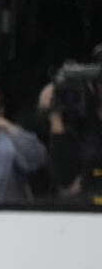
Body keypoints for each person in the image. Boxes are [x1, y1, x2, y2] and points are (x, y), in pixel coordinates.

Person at [42, 44, 102, 205]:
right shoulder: (77, 116)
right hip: (82, 206)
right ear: (94, 85)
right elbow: (63, 177)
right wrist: (55, 118)